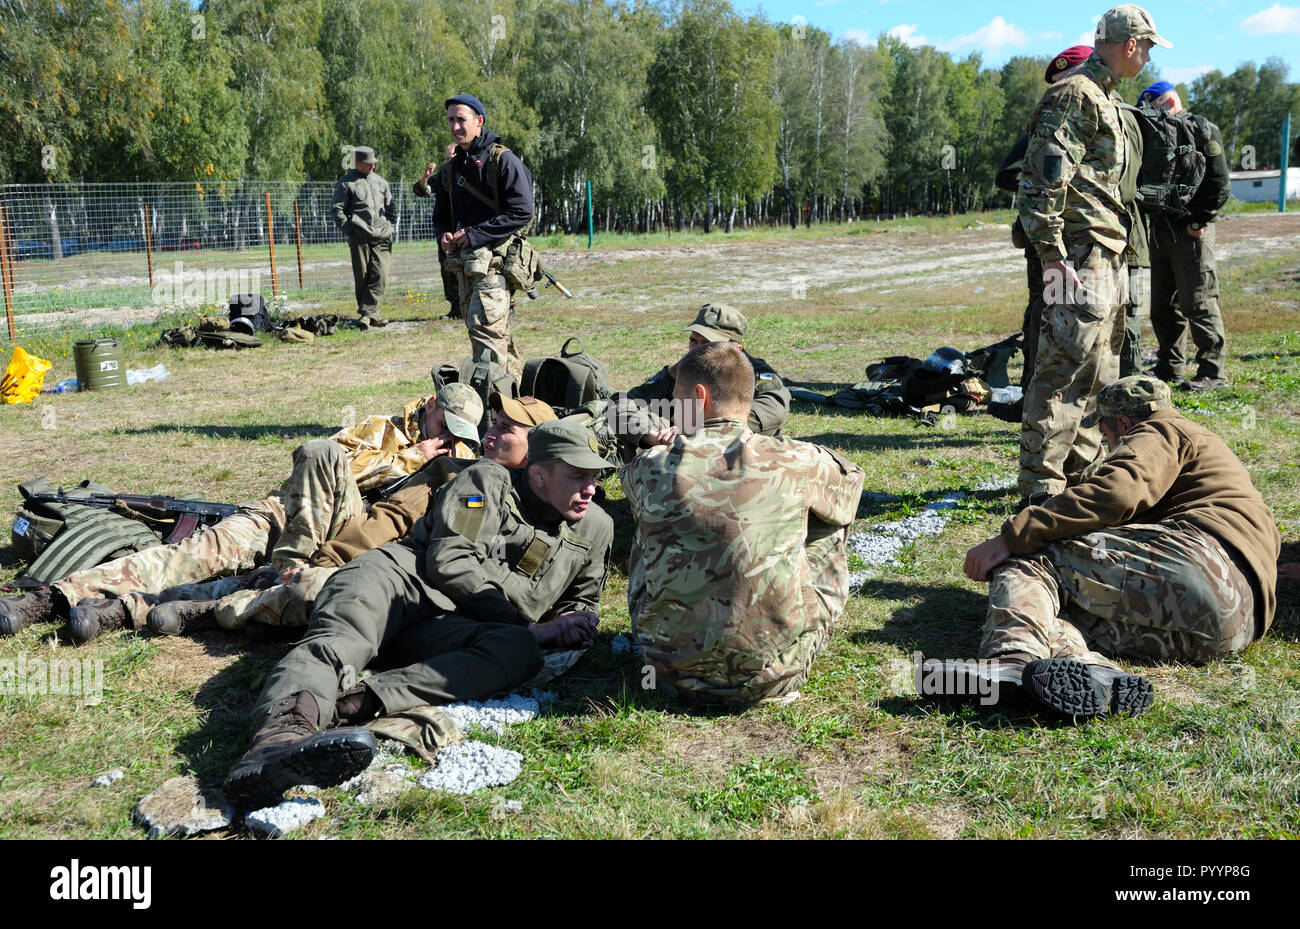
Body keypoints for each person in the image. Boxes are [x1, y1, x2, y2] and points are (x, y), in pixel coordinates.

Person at [222, 418, 613, 810]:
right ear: (539, 474)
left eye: (595, 477)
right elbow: (450, 562)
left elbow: (581, 600)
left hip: (456, 627)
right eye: (577, 476)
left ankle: (349, 706)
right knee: (340, 639)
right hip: (401, 583)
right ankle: (277, 741)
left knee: (519, 653)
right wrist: (530, 626)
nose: (590, 489)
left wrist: (574, 621)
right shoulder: (485, 484)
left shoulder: (597, 527)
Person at [0, 387, 482, 642]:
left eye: (459, 434)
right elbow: (320, 463)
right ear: (432, 406)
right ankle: (52, 599)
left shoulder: (455, 462)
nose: (449, 438)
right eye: (446, 426)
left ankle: (128, 611)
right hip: (291, 512)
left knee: (242, 587)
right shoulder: (382, 429)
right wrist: (405, 457)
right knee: (195, 553)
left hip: (346, 535)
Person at [931, 375, 1280, 720]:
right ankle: (1090, 671)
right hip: (1235, 626)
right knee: (1049, 606)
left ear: (1124, 423)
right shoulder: (1210, 454)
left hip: (1202, 563)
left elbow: (1118, 492)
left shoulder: (1158, 431)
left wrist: (1013, 536)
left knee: (1032, 559)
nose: (1108, 445)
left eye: (1106, 435)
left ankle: (1007, 663)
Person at [146, 393, 557, 637]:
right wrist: (326, 558)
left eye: (505, 429)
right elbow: (391, 518)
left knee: (315, 591)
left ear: (536, 449)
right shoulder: (455, 471)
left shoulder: (552, 508)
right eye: (495, 423)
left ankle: (217, 608)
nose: (489, 433)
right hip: (374, 561)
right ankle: (173, 603)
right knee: (313, 579)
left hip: (422, 594)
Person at [621, 341, 864, 706]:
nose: (672, 409)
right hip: (774, 676)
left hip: (667, 671)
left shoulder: (648, 466)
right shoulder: (797, 459)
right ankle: (782, 631)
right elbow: (852, 484)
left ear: (699, 397)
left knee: (651, 526)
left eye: (676, 399)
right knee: (829, 519)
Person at [1015, 4, 1169, 508]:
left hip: (1105, 253)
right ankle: (1041, 486)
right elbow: (1040, 181)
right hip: (1077, 256)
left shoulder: (1105, 98)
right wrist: (1053, 256)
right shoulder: (1075, 94)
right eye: (1146, 48)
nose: (1147, 58)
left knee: (1100, 370)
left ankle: (1079, 475)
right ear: (1130, 45)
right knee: (1062, 368)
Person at [991, 45, 1093, 423]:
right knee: (1046, 318)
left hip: (1086, 239)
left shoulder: (1108, 114)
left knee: (1079, 324)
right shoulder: (1052, 119)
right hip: (1050, 240)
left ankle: (1069, 408)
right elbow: (1007, 173)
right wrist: (1044, 183)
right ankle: (1034, 403)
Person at [431, 94, 534, 382]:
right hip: (466, 266)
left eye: (461, 120)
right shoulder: (451, 169)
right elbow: (440, 216)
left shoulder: (502, 160)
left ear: (479, 121)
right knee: (492, 334)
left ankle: (495, 412)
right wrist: (444, 236)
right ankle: (518, 400)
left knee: (485, 334)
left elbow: (523, 211)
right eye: (451, 120)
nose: (454, 127)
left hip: (496, 266)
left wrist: (475, 234)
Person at [1139, 83, 1232, 391]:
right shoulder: (1155, 135)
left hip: (1192, 230)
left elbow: (1219, 182)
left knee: (1199, 300)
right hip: (1161, 229)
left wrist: (1200, 220)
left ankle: (1211, 371)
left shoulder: (1202, 129)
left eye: (1156, 105)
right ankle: (1169, 366)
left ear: (1171, 100)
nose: (1153, 113)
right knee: (1162, 306)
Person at [622, 303, 792, 439]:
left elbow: (773, 409)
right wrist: (648, 432)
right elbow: (626, 401)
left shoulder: (757, 373)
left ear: (736, 348)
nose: (696, 349)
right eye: (693, 340)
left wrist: (700, 428)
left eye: (707, 343)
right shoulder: (684, 369)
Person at [331, 146, 395, 330]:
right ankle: (370, 315)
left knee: (380, 276)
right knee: (363, 278)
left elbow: (391, 208)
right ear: (358, 163)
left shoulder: (382, 183)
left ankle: (367, 315)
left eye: (374, 163)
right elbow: (337, 210)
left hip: (383, 236)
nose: (373, 166)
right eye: (368, 163)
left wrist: (389, 227)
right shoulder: (345, 183)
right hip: (359, 237)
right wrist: (349, 229)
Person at [416, 143, 463, 320]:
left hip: (467, 229)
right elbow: (423, 191)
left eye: (452, 157)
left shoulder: (470, 172)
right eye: (447, 158)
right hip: (445, 230)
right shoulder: (443, 174)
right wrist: (425, 177)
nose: (449, 161)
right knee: (448, 269)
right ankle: (456, 308)